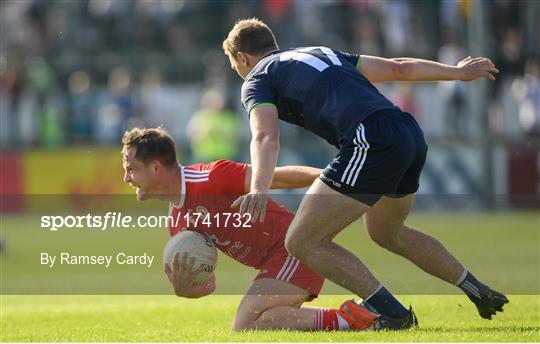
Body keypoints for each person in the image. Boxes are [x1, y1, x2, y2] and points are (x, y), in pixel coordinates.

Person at [222, 18, 508, 329]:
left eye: (235, 64)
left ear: (242, 58)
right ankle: (477, 290)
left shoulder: (256, 77)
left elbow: (265, 135)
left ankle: (393, 313)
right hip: (407, 132)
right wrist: (458, 72)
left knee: (302, 241)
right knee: (386, 233)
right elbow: (399, 68)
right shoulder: (321, 52)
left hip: (369, 139)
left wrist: (259, 189)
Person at [121, 127, 380, 331]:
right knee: (257, 320)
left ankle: (356, 319)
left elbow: (277, 176)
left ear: (155, 167)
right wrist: (185, 289)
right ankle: (356, 317)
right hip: (274, 263)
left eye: (131, 169)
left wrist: (345, 180)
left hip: (295, 247)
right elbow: (209, 284)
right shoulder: (177, 224)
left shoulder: (211, 177)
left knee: (246, 322)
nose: (126, 178)